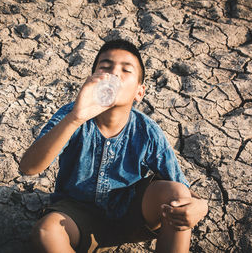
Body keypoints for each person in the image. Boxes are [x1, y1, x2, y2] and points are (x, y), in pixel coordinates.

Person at [19, 39, 208, 253]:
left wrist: (201, 206)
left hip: (130, 215)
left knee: (177, 196)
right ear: (92, 79)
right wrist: (76, 117)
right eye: (105, 67)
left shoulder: (146, 131)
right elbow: (29, 167)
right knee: (45, 232)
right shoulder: (71, 115)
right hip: (75, 217)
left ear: (139, 91)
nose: (114, 74)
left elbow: (181, 189)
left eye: (126, 70)